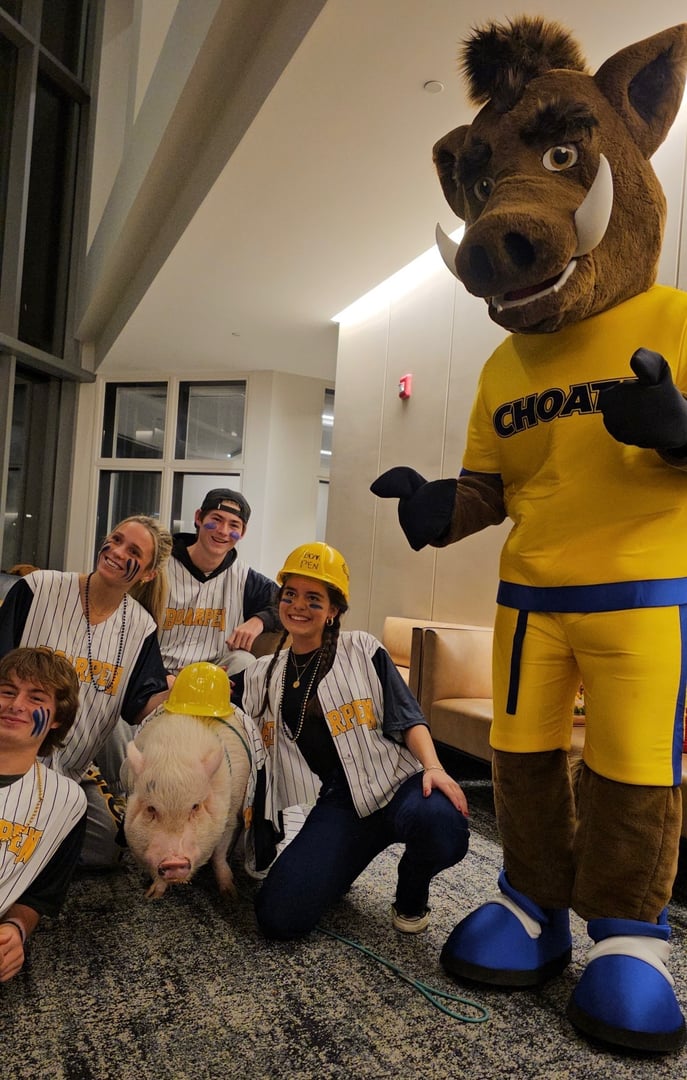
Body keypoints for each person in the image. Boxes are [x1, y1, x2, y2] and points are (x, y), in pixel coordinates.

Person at [236, 541, 470, 940]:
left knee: (443, 824)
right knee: (278, 917)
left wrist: (433, 768)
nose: (298, 606)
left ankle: (411, 890)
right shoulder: (264, 673)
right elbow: (223, 700)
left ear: (333, 611)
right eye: (289, 595)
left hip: (400, 785)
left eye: (314, 599)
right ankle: (341, 863)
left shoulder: (361, 648)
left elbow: (407, 715)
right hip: (343, 803)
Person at [0, 515, 173, 866]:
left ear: (147, 574)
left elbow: (140, 707)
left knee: (105, 849)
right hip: (9, 754)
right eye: (115, 538)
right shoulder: (38, 588)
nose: (115, 550)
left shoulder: (141, 627)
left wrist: (182, 689)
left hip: (69, 771)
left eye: (133, 550)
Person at [0, 647, 87, 982]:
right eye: (7, 691)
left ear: (56, 719)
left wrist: (15, 930)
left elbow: (40, 896)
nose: (16, 705)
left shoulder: (66, 802)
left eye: (36, 698)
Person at [159, 488, 281, 678]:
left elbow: (287, 605)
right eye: (216, 519)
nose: (223, 531)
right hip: (159, 673)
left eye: (234, 525)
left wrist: (260, 620)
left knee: (244, 660)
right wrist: (161, 676)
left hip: (215, 676)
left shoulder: (245, 578)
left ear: (242, 532)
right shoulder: (160, 567)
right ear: (199, 517)